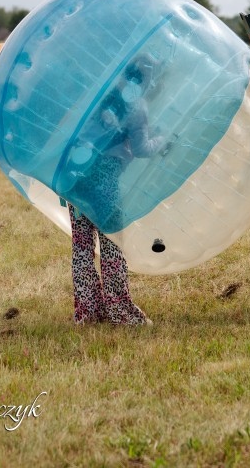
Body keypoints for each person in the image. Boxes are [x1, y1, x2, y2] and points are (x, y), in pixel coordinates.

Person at [62, 57, 168, 326]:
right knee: (112, 242)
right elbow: (143, 148)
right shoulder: (137, 106)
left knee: (82, 246)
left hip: (75, 176)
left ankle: (87, 311)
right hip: (104, 179)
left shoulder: (97, 95)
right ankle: (120, 310)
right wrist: (162, 139)